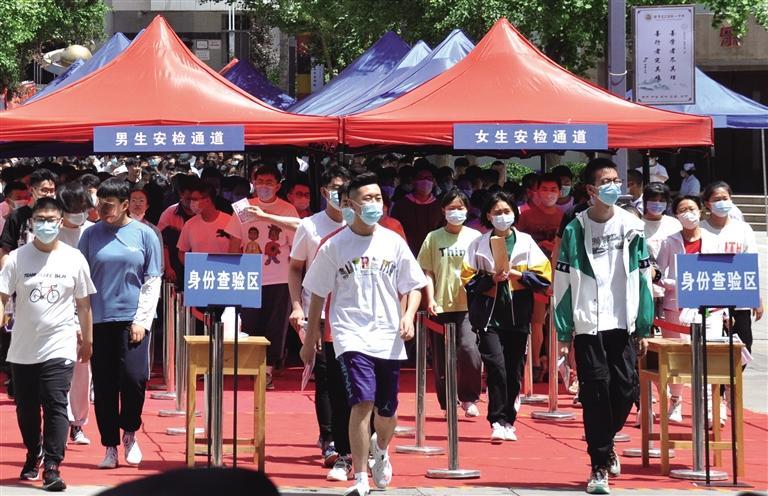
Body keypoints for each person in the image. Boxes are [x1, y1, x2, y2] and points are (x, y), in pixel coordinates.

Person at [300, 173, 426, 496]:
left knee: (387, 411)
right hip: (350, 332)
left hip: (388, 334)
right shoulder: (334, 245)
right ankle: (360, 477)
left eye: (378, 198)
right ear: (350, 205)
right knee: (362, 401)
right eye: (367, 199)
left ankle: (380, 449)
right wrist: (310, 338)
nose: (374, 205)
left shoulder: (393, 241)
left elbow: (414, 285)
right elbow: (317, 293)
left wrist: (408, 316)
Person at [554, 158, 654, 494]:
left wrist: (644, 325)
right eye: (606, 181)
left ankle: (604, 441)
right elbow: (563, 282)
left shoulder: (632, 226)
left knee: (625, 389)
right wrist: (564, 331)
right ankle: (599, 465)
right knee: (596, 392)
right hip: (588, 322)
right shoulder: (575, 229)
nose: (614, 186)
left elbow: (643, 277)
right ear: (591, 189)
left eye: (616, 180)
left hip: (622, 322)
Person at [0, 197, 95, 491]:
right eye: (40, 220)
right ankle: (34, 451)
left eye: (51, 220)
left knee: (55, 403)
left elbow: (84, 304)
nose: (46, 225)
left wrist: (88, 340)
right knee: (27, 408)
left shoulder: (74, 258)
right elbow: (2, 297)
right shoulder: (16, 258)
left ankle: (53, 465)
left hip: (60, 343)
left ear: (60, 222)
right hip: (24, 347)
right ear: (32, 222)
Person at [78, 178, 163, 469]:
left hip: (133, 319)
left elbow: (152, 279)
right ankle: (110, 445)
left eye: (109, 205)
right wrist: (81, 323)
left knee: (134, 378)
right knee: (103, 384)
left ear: (125, 205)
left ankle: (130, 432)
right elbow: (81, 281)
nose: (103, 210)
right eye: (99, 204)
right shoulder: (90, 235)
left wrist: (142, 320)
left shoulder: (145, 234)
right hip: (100, 319)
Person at [462, 191, 551, 443]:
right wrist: (491, 278)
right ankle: (496, 420)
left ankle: (509, 420)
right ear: (488, 216)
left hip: (518, 313)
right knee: (496, 367)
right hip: (488, 315)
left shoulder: (526, 242)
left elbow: (544, 278)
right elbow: (467, 280)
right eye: (497, 212)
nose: (502, 216)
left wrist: (517, 275)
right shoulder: (478, 244)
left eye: (506, 211)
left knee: (513, 370)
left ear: (515, 213)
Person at [287, 166, 350, 474]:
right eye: (336, 188)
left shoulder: (360, 225)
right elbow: (295, 268)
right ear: (324, 192)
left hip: (352, 313)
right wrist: (297, 306)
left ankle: (355, 439)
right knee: (325, 376)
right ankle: (330, 439)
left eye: (346, 188)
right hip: (319, 312)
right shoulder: (310, 226)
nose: (341, 194)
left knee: (351, 377)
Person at [226, 165, 298, 388]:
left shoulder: (287, 210)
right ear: (253, 183)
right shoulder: (243, 208)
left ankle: (267, 370)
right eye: (260, 182)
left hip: (279, 278)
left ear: (278, 185)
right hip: (248, 276)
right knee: (249, 323)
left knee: (276, 325)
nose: (264, 186)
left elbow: (296, 246)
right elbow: (234, 242)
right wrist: (234, 271)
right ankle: (251, 366)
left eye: (269, 182)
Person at [656, 195, 725, 424]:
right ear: (676, 215)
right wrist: (677, 283)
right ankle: (675, 400)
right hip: (676, 308)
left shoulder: (713, 240)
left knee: (707, 357)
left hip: (709, 308)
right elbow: (658, 274)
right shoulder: (670, 242)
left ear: (701, 211)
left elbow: (720, 275)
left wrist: (724, 311)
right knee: (677, 357)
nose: (688, 213)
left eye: (692, 208)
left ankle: (709, 406)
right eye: (683, 209)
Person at [418, 189, 482, 418]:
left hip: (468, 305)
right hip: (441, 304)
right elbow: (427, 271)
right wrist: (430, 298)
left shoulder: (475, 237)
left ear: (467, 210)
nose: (456, 212)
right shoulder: (433, 238)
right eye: (451, 208)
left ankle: (469, 397)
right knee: (442, 357)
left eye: (460, 207)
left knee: (469, 349)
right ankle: (447, 402)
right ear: (443, 210)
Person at [701, 181, 763, 354]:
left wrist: (756, 297)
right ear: (707, 203)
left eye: (725, 198)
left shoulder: (743, 229)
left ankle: (734, 374)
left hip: (739, 296)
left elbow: (752, 263)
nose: (722, 202)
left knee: (743, 346)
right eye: (716, 199)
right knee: (711, 346)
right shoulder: (700, 229)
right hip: (710, 297)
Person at [57, 181, 96, 446]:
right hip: (57, 309)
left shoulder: (93, 232)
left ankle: (77, 423)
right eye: (72, 207)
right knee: (56, 369)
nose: (77, 212)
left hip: (86, 308)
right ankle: (56, 421)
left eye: (81, 207)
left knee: (82, 370)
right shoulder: (51, 234)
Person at [516, 173, 564, 380]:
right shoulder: (526, 216)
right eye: (544, 189)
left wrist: (556, 247)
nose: (549, 194)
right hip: (535, 276)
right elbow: (518, 243)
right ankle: (535, 363)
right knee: (536, 322)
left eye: (553, 190)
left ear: (560, 193)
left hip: (559, 275)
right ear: (536, 191)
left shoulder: (564, 217)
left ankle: (556, 366)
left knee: (557, 323)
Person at [1, 168, 58, 262]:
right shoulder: (17, 216)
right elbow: (5, 248)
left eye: (52, 190)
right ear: (32, 190)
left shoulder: (58, 214)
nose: (49, 194)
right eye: (44, 190)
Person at [390, 164, 443, 255]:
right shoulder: (401, 205)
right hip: (407, 252)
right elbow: (394, 228)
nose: (425, 181)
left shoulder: (439, 206)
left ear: (434, 182)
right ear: (414, 181)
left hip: (433, 252)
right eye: (421, 178)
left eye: (429, 178)